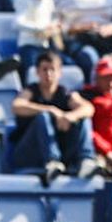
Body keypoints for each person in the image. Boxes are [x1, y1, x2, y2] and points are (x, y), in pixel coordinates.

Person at [10, 50, 96, 179]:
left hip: (61, 151)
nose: (48, 74)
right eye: (44, 69)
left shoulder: (65, 93)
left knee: (83, 119)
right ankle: (52, 161)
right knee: (43, 117)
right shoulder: (31, 90)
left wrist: (70, 116)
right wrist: (49, 109)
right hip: (29, 152)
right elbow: (17, 106)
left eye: (52, 70)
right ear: (37, 72)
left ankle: (87, 160)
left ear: (59, 73)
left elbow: (88, 108)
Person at [14, 0, 62, 68]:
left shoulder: (49, 0)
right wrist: (41, 29)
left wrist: (54, 27)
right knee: (32, 70)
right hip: (28, 46)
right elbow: (18, 23)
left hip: (45, 46)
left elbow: (54, 20)